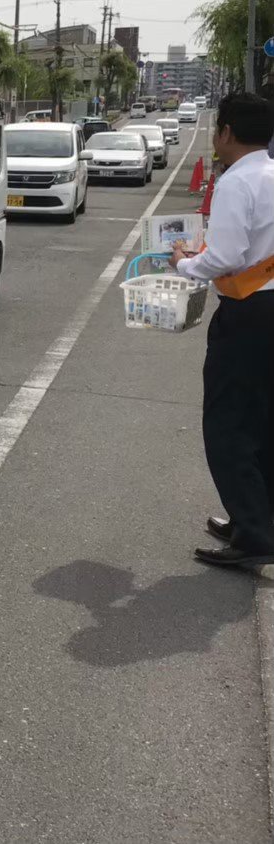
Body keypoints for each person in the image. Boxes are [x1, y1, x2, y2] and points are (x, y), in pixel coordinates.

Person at [169, 93, 274, 568]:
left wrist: (185, 263)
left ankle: (254, 535)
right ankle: (256, 520)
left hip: (248, 315)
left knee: (227, 425)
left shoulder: (237, 181)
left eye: (216, 129)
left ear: (227, 132)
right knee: (262, 422)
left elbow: (227, 257)